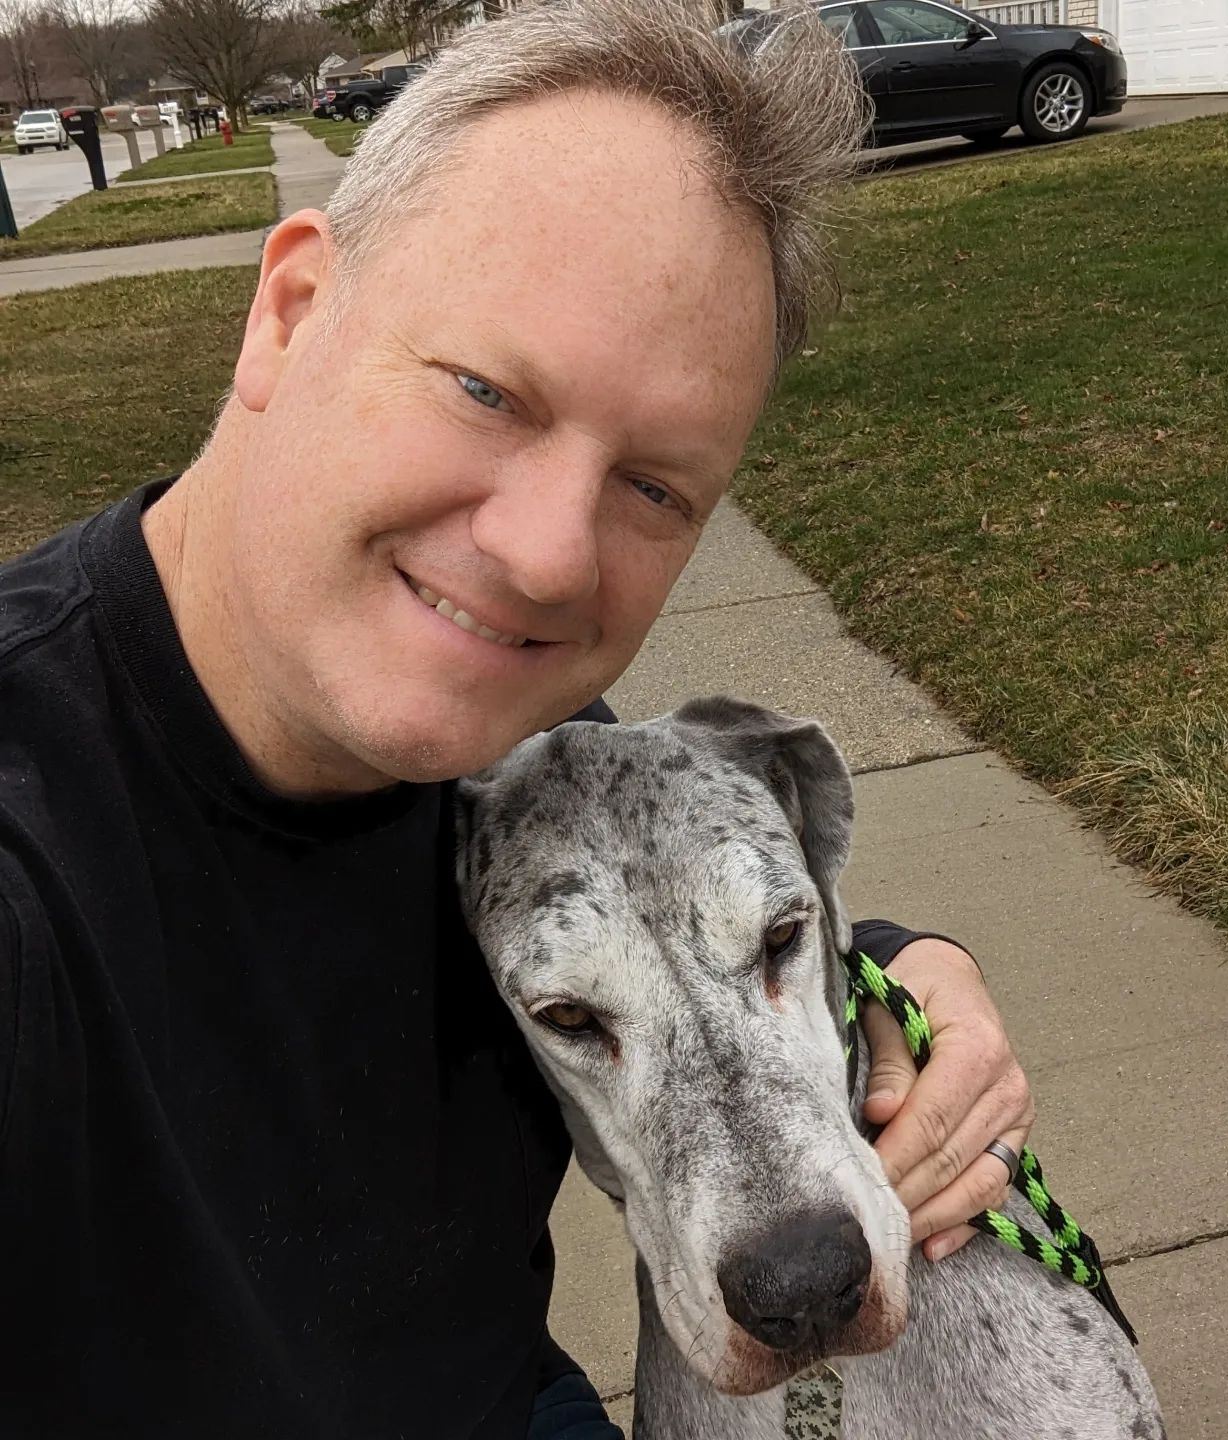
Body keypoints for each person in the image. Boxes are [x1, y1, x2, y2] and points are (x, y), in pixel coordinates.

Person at [0, 0, 1033, 1435]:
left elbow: (657, 910)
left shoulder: (498, 736)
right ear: (290, 312)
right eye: (488, 392)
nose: (550, 555)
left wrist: (908, 967)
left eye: (656, 487)